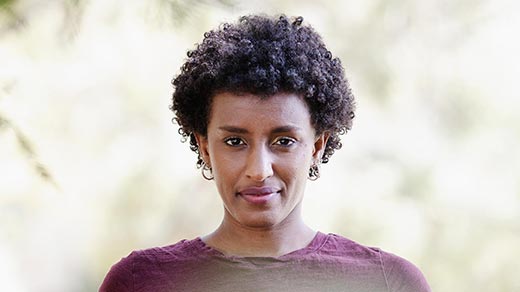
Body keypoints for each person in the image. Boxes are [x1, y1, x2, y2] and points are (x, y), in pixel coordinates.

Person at [100, 14, 431, 292]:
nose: (258, 170)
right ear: (204, 146)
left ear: (317, 146)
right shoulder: (139, 282)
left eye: (283, 141)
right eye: (235, 142)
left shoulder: (388, 283)